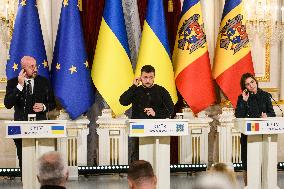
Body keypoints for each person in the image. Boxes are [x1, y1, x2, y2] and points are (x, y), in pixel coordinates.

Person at [4, 55, 56, 168]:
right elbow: (7, 104)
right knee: (25, 163)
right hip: (21, 129)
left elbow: (53, 103)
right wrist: (20, 86)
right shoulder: (13, 83)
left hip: (41, 128)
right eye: (32, 67)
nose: (35, 69)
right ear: (23, 69)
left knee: (42, 163)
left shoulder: (43, 82)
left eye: (35, 66)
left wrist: (44, 107)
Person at [120, 65, 175, 162]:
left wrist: (156, 113)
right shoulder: (135, 90)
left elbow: (171, 110)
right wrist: (133, 86)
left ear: (154, 77)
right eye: (145, 77)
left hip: (157, 130)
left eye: (151, 77)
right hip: (138, 129)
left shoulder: (161, 91)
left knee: (156, 157)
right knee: (137, 156)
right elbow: (123, 101)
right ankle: (137, 176)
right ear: (140, 77)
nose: (148, 80)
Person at [235, 72, 275, 185]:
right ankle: (248, 185)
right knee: (247, 163)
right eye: (247, 84)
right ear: (245, 87)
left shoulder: (266, 95)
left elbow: (272, 113)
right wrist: (244, 100)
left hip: (263, 135)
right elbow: (239, 116)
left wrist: (267, 116)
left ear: (255, 81)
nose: (251, 85)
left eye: (252, 82)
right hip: (248, 136)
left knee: (263, 162)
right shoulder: (242, 98)